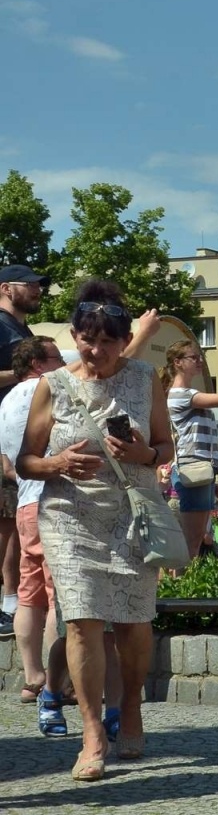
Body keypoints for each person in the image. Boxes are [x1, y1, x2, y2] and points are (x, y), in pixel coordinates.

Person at [16, 280, 171, 779]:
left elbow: (166, 447)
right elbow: (26, 461)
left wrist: (144, 455)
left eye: (108, 342)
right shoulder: (54, 384)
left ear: (125, 341)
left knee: (132, 623)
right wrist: (57, 461)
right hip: (69, 517)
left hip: (130, 514)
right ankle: (91, 734)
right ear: (75, 335)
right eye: (88, 339)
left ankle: (131, 710)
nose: (96, 350)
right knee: (80, 619)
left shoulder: (147, 379)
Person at [0, 336, 66, 719]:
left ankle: (32, 677)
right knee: (59, 594)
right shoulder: (47, 390)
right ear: (39, 363)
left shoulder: (7, 400)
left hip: (24, 498)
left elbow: (7, 465)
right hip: (51, 497)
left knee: (29, 593)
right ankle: (60, 682)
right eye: (57, 356)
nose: (62, 363)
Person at [163, 336, 218, 560]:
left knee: (194, 544)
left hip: (200, 470)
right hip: (193, 468)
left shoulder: (187, 394)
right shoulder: (181, 394)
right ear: (178, 362)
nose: (199, 361)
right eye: (194, 357)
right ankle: (179, 590)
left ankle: (183, 588)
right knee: (191, 543)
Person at [0, 265, 48, 640]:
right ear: (6, 288)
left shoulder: (21, 330)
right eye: (30, 285)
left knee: (16, 523)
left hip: (19, 438)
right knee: (6, 525)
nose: (38, 290)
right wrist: (27, 376)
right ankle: (6, 602)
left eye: (39, 285)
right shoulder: (1, 325)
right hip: (4, 436)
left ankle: (12, 602)